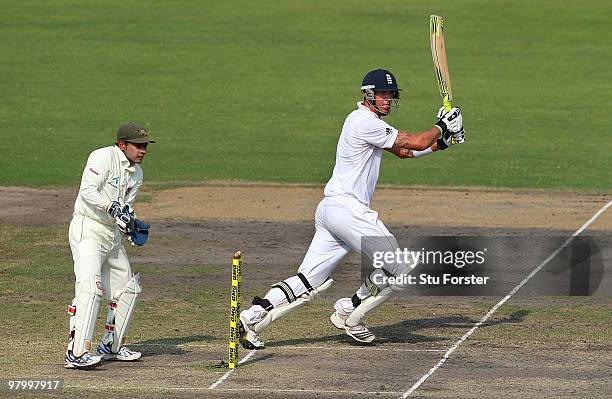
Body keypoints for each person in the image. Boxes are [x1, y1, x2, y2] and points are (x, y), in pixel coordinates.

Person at [239, 69, 465, 347]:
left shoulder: (369, 124)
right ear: (368, 94)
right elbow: (417, 140)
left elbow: (407, 152)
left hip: (332, 211)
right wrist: (441, 125)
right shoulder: (363, 121)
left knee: (309, 279)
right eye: (383, 94)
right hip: (347, 209)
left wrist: (443, 142)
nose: (388, 100)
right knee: (399, 265)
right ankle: (349, 312)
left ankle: (252, 317)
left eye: (391, 95)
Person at [64, 123, 154, 369]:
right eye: (138, 145)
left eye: (145, 145)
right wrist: (111, 207)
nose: (143, 150)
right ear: (122, 144)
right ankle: (76, 353)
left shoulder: (136, 173)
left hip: (111, 235)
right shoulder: (102, 157)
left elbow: (126, 205)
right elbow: (87, 192)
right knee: (90, 289)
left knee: (128, 289)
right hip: (88, 229)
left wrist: (129, 223)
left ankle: (110, 347)